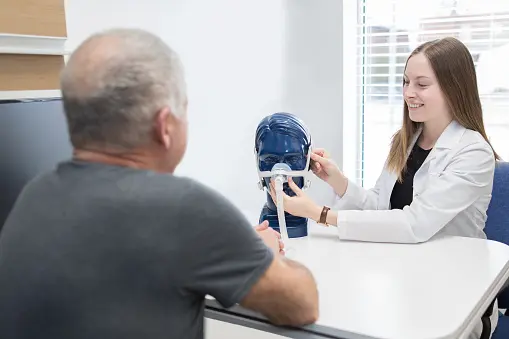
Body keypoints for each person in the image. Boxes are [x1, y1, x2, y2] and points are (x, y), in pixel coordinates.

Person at [0, 28, 319, 339]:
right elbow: (303, 304)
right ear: (165, 125)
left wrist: (230, 245)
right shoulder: (187, 210)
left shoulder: (34, 194)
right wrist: (260, 254)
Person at [270, 37, 499, 339]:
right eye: (405, 82)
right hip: (403, 274)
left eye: (421, 84)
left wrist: (320, 213)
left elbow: (414, 223)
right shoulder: (405, 141)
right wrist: (336, 179)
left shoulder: (473, 152)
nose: (408, 93)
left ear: (453, 87)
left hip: (454, 292)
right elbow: (381, 206)